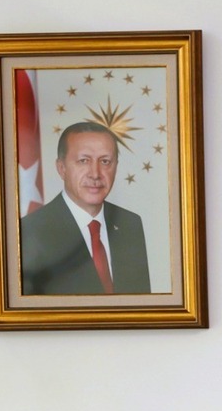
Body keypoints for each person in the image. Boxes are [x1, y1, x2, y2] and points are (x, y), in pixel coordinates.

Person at [18, 122, 151, 295]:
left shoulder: (129, 224)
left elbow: (142, 304)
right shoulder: (30, 231)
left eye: (105, 161)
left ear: (116, 167)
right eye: (84, 161)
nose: (95, 174)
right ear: (62, 168)